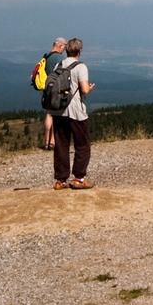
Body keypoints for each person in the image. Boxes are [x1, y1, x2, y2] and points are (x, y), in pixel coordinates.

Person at [51, 38, 95, 190]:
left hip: (58, 111)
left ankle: (60, 180)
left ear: (67, 50)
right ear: (79, 51)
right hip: (76, 111)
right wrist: (90, 88)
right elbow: (83, 89)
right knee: (82, 145)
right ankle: (79, 178)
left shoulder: (59, 65)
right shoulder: (80, 67)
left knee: (61, 145)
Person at [40, 37, 67, 151]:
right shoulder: (59, 58)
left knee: (48, 113)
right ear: (60, 46)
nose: (64, 50)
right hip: (56, 88)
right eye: (64, 48)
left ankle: (46, 141)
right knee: (56, 114)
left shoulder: (46, 57)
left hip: (46, 89)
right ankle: (52, 141)